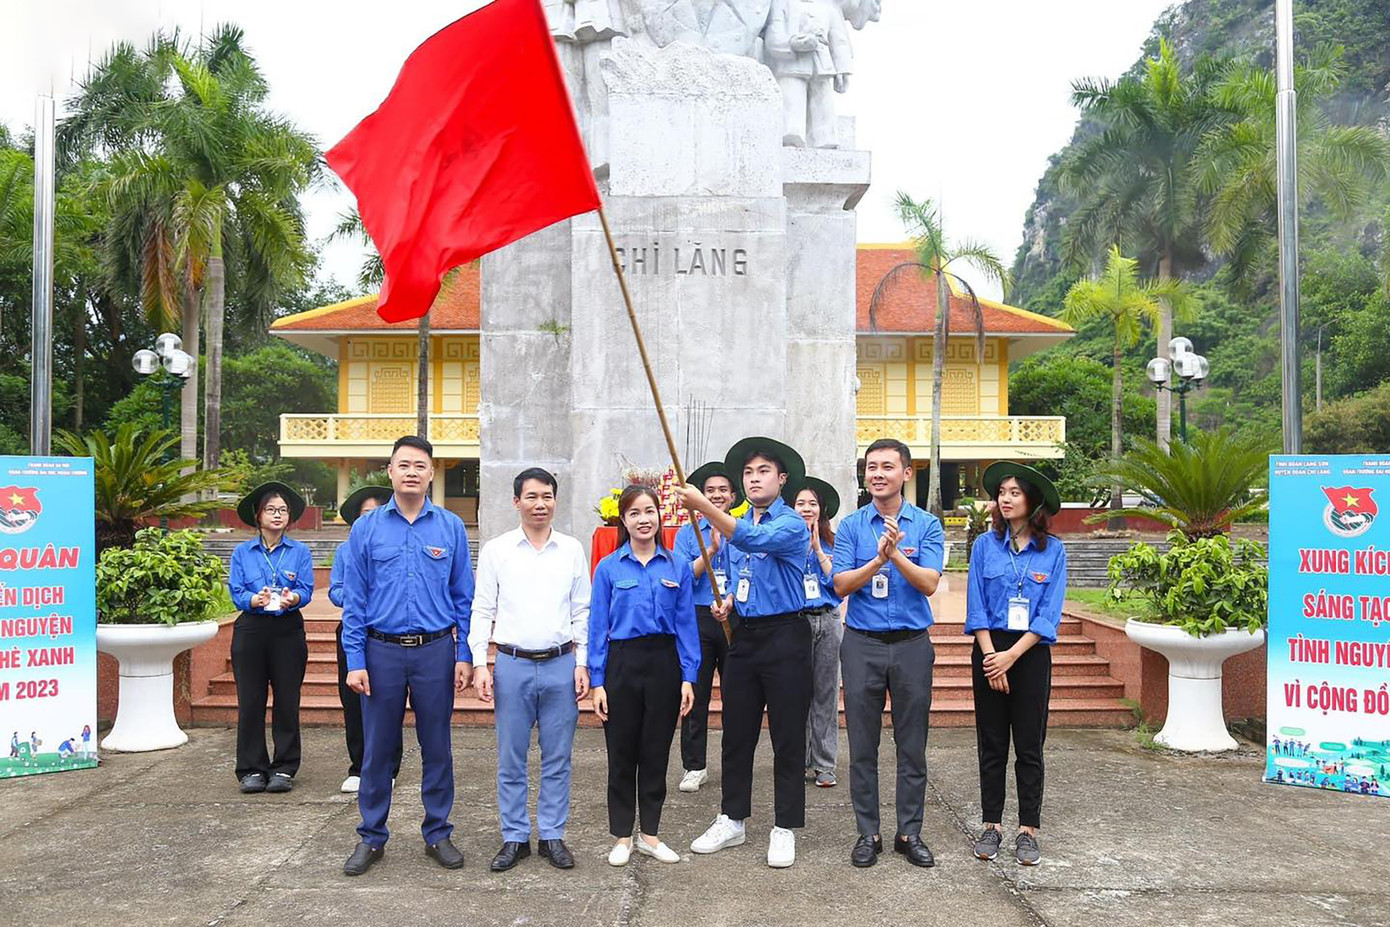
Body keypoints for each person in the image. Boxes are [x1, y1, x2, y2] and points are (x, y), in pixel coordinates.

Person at [339, 436, 475, 877]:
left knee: (437, 746)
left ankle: (438, 831)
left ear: (432, 473)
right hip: (381, 653)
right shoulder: (367, 529)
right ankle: (371, 836)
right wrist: (355, 659)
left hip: (436, 652)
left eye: (420, 465)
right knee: (377, 750)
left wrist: (464, 652)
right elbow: (356, 600)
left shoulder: (450, 527)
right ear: (391, 472)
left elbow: (463, 597)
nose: (412, 471)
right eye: (403, 465)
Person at [678, 436, 813, 869]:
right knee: (736, 733)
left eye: (764, 472)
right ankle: (732, 818)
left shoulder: (791, 524)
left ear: (782, 478)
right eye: (749, 473)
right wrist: (730, 602)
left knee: (788, 736)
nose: (754, 479)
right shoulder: (736, 524)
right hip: (743, 636)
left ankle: (784, 826)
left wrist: (703, 505)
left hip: (788, 637)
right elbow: (743, 575)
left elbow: (753, 540)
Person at [470, 468, 592, 873]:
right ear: (516, 501)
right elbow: (482, 608)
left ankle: (552, 834)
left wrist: (581, 663)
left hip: (560, 664)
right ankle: (515, 837)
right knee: (511, 757)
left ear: (555, 500)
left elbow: (581, 611)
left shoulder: (572, 549)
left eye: (547, 496)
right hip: (512, 664)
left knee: (558, 757)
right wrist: (480, 662)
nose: (540, 504)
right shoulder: (497, 550)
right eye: (532, 497)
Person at [831, 438, 944, 869]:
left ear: (906, 473)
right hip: (862, 643)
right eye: (871, 467)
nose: (877, 474)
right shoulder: (851, 526)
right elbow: (841, 584)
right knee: (863, 744)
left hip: (913, 646)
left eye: (887, 467)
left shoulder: (927, 525)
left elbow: (929, 583)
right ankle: (868, 833)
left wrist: (895, 555)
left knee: (911, 745)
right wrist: (877, 562)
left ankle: (908, 832)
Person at [589, 485, 700, 866]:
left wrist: (689, 676)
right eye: (634, 513)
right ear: (623, 519)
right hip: (622, 663)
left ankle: (650, 835)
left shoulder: (677, 566)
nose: (643, 519)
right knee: (621, 754)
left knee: (655, 753)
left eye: (649, 511)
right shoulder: (609, 567)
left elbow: (687, 624)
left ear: (660, 516)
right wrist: (597, 680)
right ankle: (622, 836)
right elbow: (597, 625)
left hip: (664, 663)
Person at [965, 461, 1066, 868]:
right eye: (1002, 492)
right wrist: (992, 656)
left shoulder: (1053, 550)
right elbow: (976, 607)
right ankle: (992, 824)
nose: (1005, 499)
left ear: (1032, 501)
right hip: (990, 650)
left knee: (1028, 746)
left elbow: (1048, 614)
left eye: (1014, 492)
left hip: (1029, 654)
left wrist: (1011, 657)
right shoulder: (983, 546)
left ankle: (1028, 830)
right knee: (991, 744)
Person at [227, 481, 315, 795]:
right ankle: (251, 769)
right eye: (270, 509)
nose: (277, 515)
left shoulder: (300, 551)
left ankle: (284, 767)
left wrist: (294, 598)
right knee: (250, 701)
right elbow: (236, 591)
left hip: (287, 630)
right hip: (252, 629)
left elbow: (306, 588)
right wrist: (254, 599)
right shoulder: (242, 552)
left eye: (282, 510)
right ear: (258, 515)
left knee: (287, 701)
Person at [672, 461, 742, 793]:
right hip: (698, 618)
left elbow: (748, 574)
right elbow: (683, 576)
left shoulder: (741, 529)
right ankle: (694, 765)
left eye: (722, 490)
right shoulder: (689, 531)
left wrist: (729, 598)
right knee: (695, 693)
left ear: (732, 495)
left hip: (733, 615)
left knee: (737, 695)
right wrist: (711, 549)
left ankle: (735, 762)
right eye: (710, 490)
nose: (716, 495)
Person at [328, 485, 402, 794]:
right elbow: (335, 590)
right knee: (355, 702)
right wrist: (358, 597)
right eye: (364, 514)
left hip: (388, 632)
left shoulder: (398, 544)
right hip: (354, 629)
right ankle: (358, 766)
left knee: (389, 701)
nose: (370, 519)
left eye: (375, 513)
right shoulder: (346, 550)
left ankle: (389, 766)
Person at [795, 476, 843, 789]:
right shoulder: (783, 541)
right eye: (800, 503)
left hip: (828, 619)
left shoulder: (835, 541)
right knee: (796, 695)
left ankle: (825, 764)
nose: (807, 508)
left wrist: (817, 549)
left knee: (825, 694)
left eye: (812, 504)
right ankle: (796, 759)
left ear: (821, 510)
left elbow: (839, 581)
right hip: (796, 622)